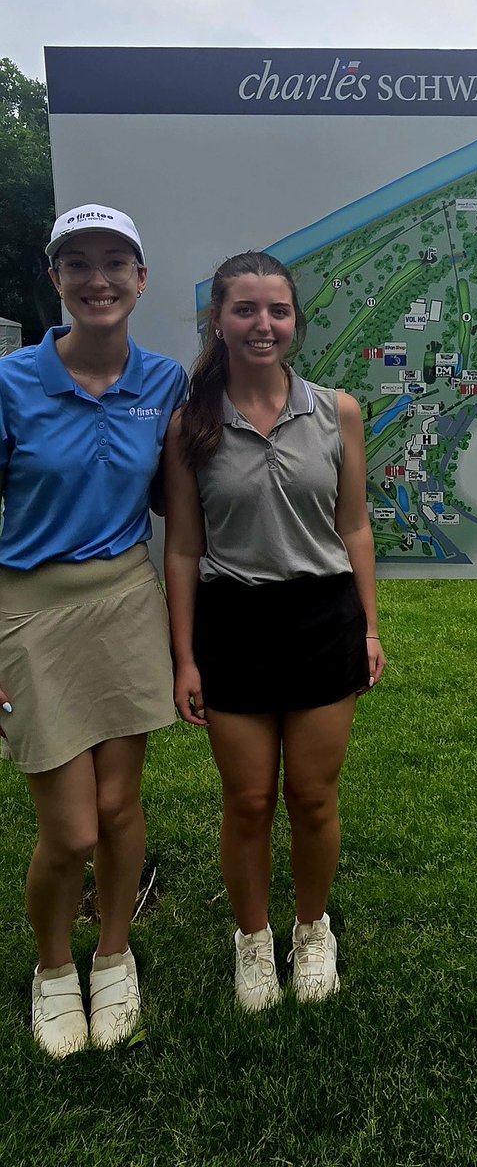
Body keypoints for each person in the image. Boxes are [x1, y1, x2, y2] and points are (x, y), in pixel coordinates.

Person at [163, 251, 384, 1013]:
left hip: (324, 619)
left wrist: (370, 629)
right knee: (249, 801)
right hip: (234, 623)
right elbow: (184, 549)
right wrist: (185, 656)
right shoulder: (191, 423)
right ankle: (253, 940)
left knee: (314, 799)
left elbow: (353, 525)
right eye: (246, 310)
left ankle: (312, 929)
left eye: (277, 311)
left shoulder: (337, 412)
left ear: (294, 321)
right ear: (217, 321)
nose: (263, 325)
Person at [0, 205, 188, 1057]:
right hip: (30, 609)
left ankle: (112, 956)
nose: (99, 279)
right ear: (57, 281)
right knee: (69, 829)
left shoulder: (164, 384)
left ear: (142, 279)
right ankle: (51, 970)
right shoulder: (10, 384)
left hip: (124, 600)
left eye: (117, 262)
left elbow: (177, 509)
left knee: (119, 809)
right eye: (79, 263)